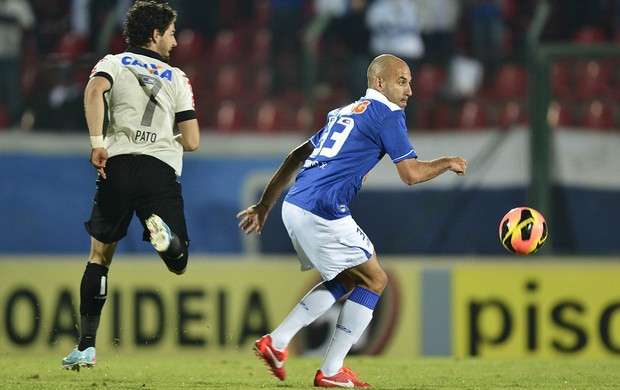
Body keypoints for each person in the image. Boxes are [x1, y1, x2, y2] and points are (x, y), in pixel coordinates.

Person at [237, 54, 467, 388]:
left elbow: (294, 156)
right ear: (379, 83)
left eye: (410, 82)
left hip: (295, 204)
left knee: (348, 279)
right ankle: (330, 371)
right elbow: (411, 174)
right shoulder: (387, 114)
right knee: (375, 281)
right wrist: (447, 162)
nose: (410, 90)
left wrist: (264, 205)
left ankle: (279, 342)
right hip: (322, 208)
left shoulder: (343, 112)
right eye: (402, 81)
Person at [61, 0, 200, 370]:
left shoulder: (113, 62)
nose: (175, 40)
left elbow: (93, 93)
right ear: (155, 35)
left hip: (117, 166)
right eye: (171, 33)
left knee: (99, 258)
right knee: (179, 261)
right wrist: (165, 132)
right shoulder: (178, 78)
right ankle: (165, 239)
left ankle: (87, 347)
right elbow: (193, 140)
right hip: (159, 171)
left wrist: (97, 143)